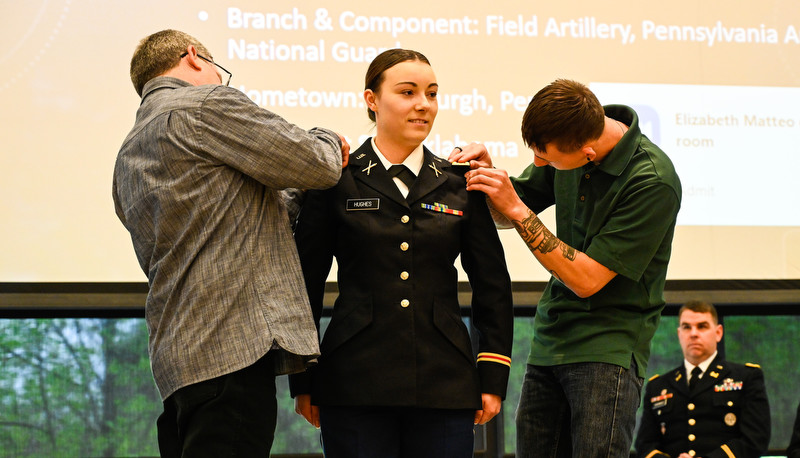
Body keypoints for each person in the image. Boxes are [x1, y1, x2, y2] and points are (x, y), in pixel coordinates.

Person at [112, 29, 349, 457]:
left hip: (178, 363)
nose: (222, 80)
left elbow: (246, 214)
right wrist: (330, 139)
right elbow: (317, 163)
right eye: (219, 70)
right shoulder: (205, 104)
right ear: (194, 57)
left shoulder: (126, 156)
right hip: (232, 348)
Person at [288, 48, 514, 457]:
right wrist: (304, 378)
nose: (423, 105)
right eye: (408, 92)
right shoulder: (335, 180)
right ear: (371, 100)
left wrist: (492, 376)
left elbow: (492, 284)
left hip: (445, 382)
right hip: (353, 382)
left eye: (432, 94)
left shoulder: (460, 183)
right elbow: (305, 282)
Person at [450, 78, 682, 457]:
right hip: (550, 343)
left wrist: (517, 209)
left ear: (587, 152)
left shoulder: (652, 180)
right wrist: (488, 179)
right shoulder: (570, 138)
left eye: (547, 158)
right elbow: (511, 208)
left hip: (607, 349)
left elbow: (586, 280)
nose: (539, 164)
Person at [634, 300, 771, 458]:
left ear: (718, 333)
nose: (693, 333)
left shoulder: (746, 377)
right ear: (679, 334)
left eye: (702, 326)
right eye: (686, 327)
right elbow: (645, 444)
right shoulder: (658, 386)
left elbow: (756, 439)